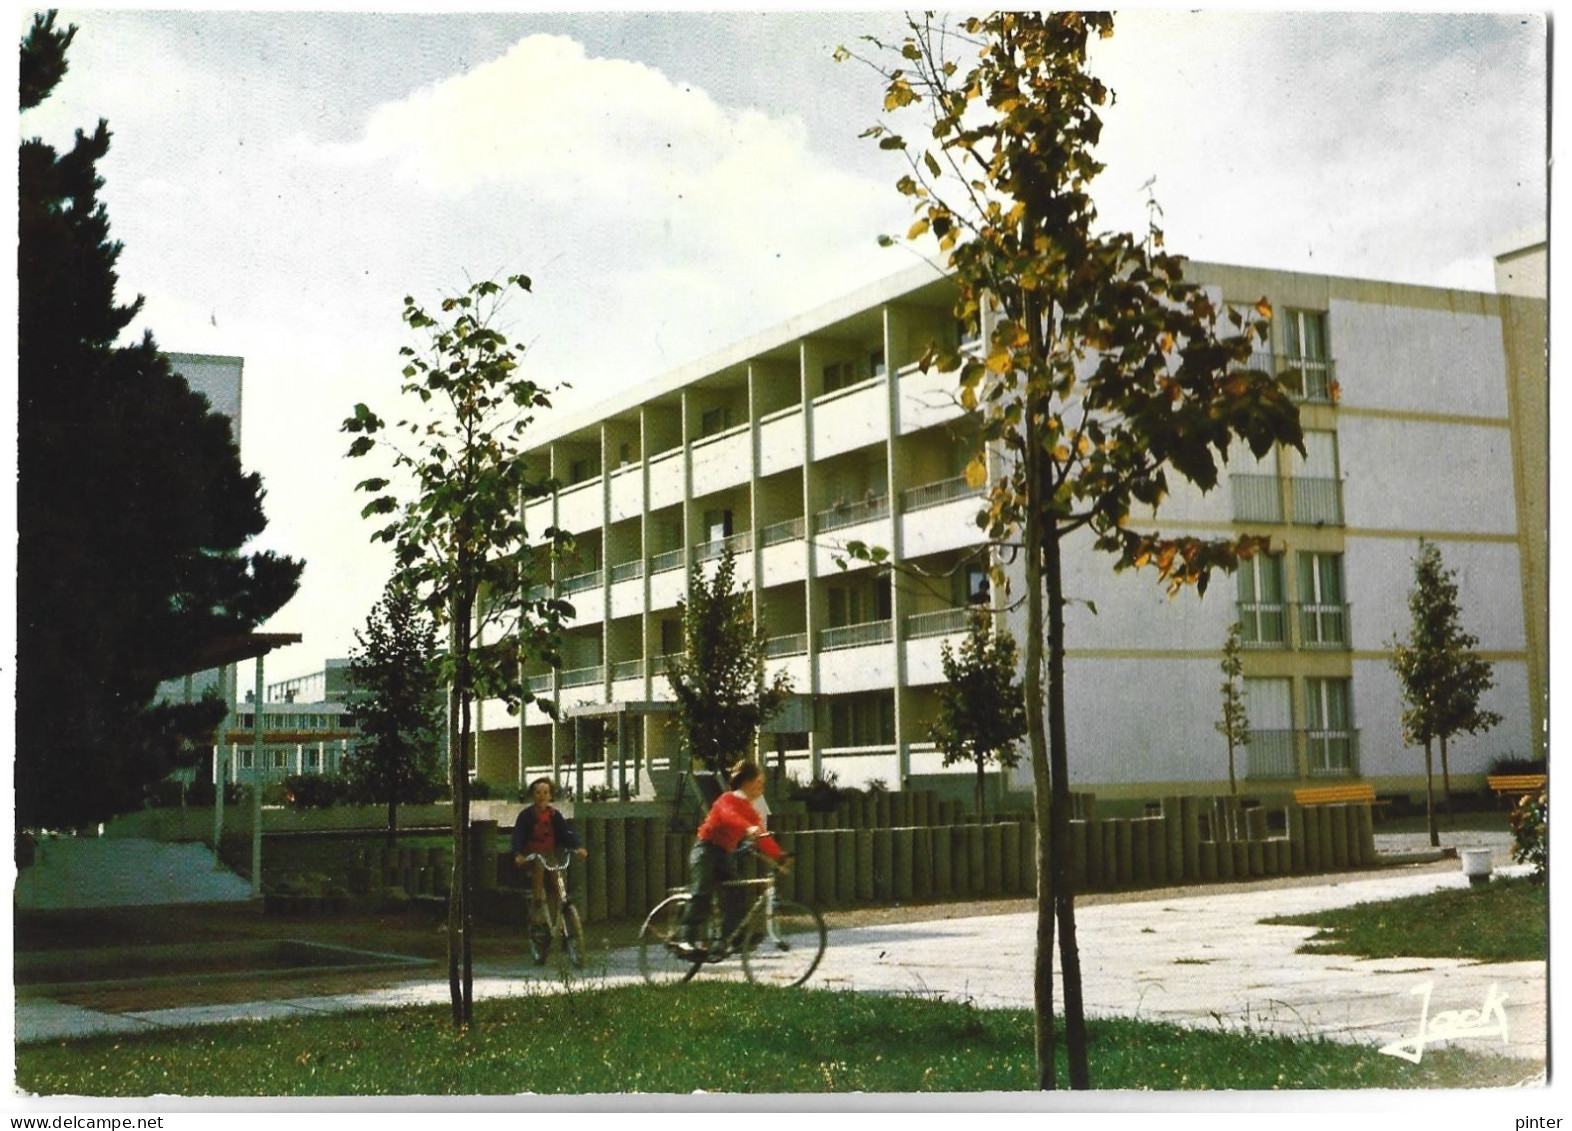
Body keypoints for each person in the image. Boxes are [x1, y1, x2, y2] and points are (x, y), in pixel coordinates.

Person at [678, 759, 787, 958]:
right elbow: (730, 816)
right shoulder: (727, 799)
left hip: (724, 854)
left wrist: (779, 856)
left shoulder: (750, 810)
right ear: (746, 782)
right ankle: (686, 938)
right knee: (702, 890)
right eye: (759, 782)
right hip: (705, 850)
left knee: (736, 894)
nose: (762, 787)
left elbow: (762, 835)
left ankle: (729, 939)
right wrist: (747, 828)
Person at [510, 777, 587, 925]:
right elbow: (518, 835)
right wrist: (518, 854)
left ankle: (562, 902)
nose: (542, 796)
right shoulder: (526, 816)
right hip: (531, 854)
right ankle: (537, 903)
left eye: (545, 792)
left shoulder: (554, 815)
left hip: (548, 853)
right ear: (533, 796)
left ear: (550, 796)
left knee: (556, 870)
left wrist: (577, 847)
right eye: (538, 793)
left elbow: (566, 832)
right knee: (539, 864)